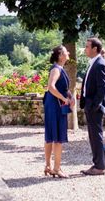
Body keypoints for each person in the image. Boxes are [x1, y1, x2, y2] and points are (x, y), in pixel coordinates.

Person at [43, 45, 74, 179]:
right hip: (56, 105)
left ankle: (48, 166)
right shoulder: (56, 69)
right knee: (58, 138)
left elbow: (62, 87)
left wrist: (70, 96)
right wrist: (64, 99)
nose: (68, 52)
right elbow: (51, 87)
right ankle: (56, 168)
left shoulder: (59, 68)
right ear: (61, 55)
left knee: (51, 135)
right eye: (66, 51)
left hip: (52, 104)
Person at [79, 37, 105, 176]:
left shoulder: (100, 64)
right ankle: (97, 164)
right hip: (90, 105)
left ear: (95, 49)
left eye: (87, 46)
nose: (85, 49)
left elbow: (102, 89)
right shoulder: (95, 62)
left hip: (94, 107)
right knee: (94, 136)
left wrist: (94, 105)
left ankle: (99, 166)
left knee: (96, 136)